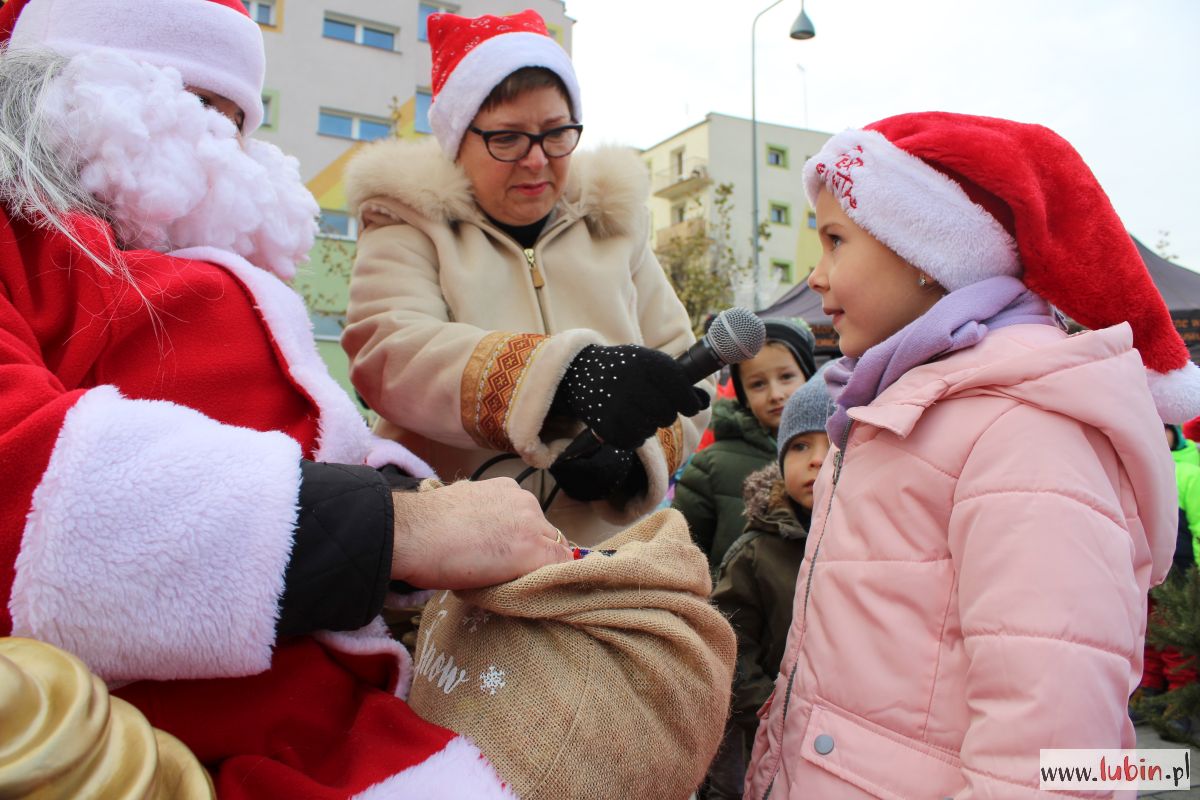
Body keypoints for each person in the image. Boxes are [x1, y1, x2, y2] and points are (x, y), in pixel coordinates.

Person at [0, 0, 571, 796]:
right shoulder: (31, 241)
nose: (218, 150)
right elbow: (21, 481)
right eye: (195, 108)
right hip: (130, 748)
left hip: (347, 715)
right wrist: (395, 524)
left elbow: (311, 432)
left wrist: (395, 498)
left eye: (235, 123)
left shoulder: (212, 268)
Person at [744, 112, 1196, 798]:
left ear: (927, 249)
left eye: (836, 241)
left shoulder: (1025, 428)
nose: (818, 275)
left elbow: (1055, 752)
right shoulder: (894, 405)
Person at [342, 9, 710, 547]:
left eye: (557, 133)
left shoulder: (614, 228)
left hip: (604, 559)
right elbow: (390, 351)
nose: (537, 161)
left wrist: (635, 457)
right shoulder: (407, 223)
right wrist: (564, 377)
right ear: (457, 140)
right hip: (456, 557)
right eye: (508, 139)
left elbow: (683, 368)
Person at [704, 366, 833, 800]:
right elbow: (728, 641)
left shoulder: (873, 543)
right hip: (763, 733)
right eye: (800, 446)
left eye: (834, 444)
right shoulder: (757, 552)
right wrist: (769, 708)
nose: (817, 459)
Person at [673, 319, 816, 571]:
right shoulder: (710, 467)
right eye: (758, 384)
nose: (775, 394)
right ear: (744, 397)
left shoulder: (840, 452)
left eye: (786, 377)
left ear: (809, 378)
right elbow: (680, 556)